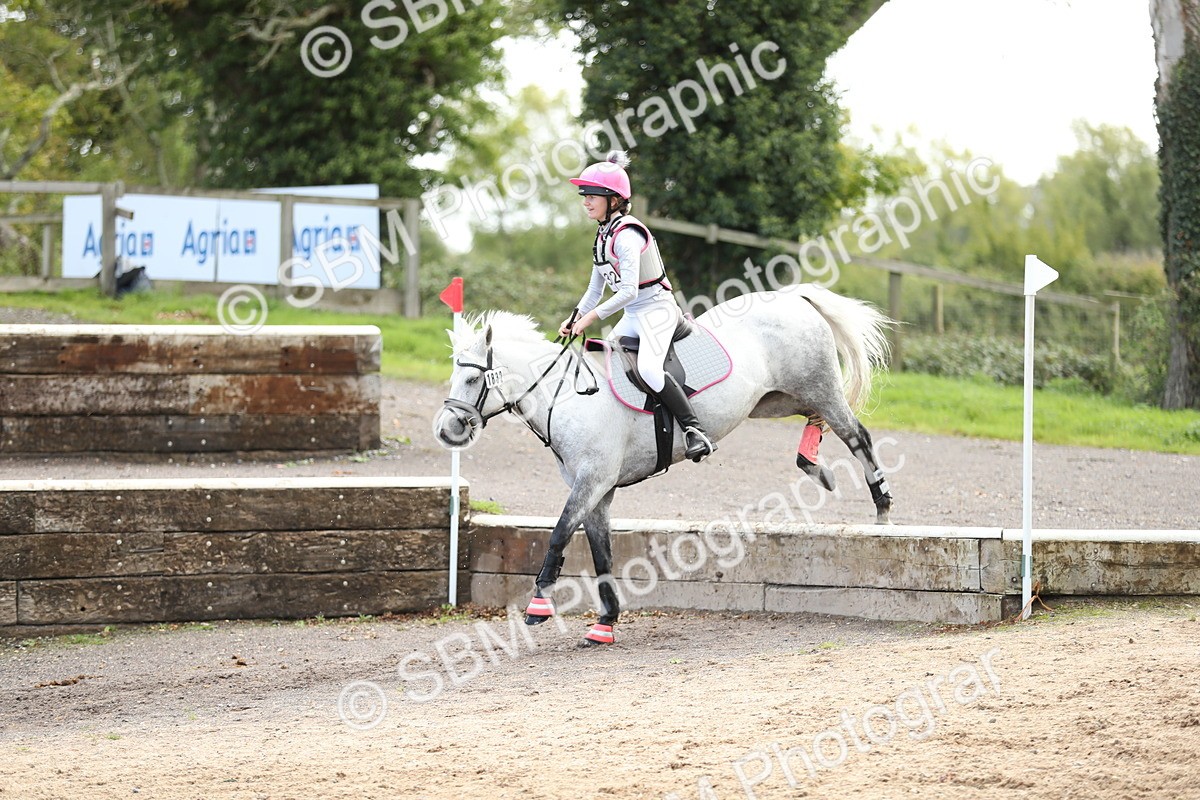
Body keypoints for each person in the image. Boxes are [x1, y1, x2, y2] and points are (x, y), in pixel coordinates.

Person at [559, 150, 716, 462]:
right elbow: (594, 289)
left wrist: (591, 317)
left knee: (647, 367)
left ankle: (694, 430)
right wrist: (575, 316)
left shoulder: (627, 234)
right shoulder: (602, 236)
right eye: (584, 195)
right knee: (602, 360)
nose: (586, 201)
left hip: (657, 309)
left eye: (592, 196)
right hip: (634, 314)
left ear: (614, 200)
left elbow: (629, 290)